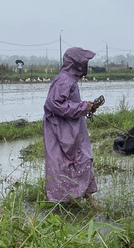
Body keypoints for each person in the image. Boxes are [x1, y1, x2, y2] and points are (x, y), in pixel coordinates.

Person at [43, 46, 100, 206]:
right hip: (61, 130)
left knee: (82, 160)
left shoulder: (69, 79)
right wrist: (83, 107)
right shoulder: (64, 80)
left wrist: (86, 106)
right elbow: (54, 104)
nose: (86, 66)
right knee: (64, 163)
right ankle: (61, 201)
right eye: (84, 62)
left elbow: (67, 102)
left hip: (72, 128)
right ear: (76, 63)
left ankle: (86, 198)